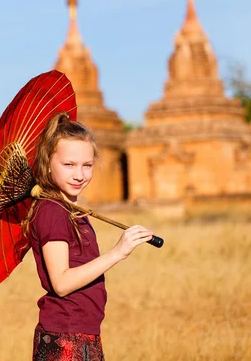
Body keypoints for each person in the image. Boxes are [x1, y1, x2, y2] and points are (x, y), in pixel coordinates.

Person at [21, 111, 155, 361]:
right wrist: (117, 253)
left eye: (87, 165)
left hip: (82, 334)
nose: (79, 175)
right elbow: (61, 283)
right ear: (48, 164)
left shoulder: (70, 209)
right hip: (67, 338)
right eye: (68, 165)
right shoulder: (52, 211)